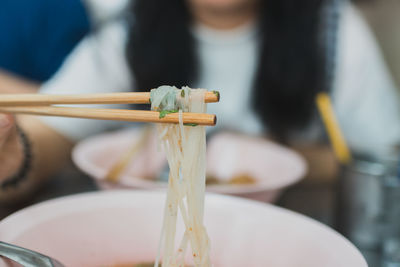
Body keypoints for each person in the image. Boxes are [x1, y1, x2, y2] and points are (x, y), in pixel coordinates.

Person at [0, 0, 399, 202]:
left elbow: (384, 158)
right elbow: (53, 128)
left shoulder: (333, 31)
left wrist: (292, 157)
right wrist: (12, 156)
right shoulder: (130, 33)